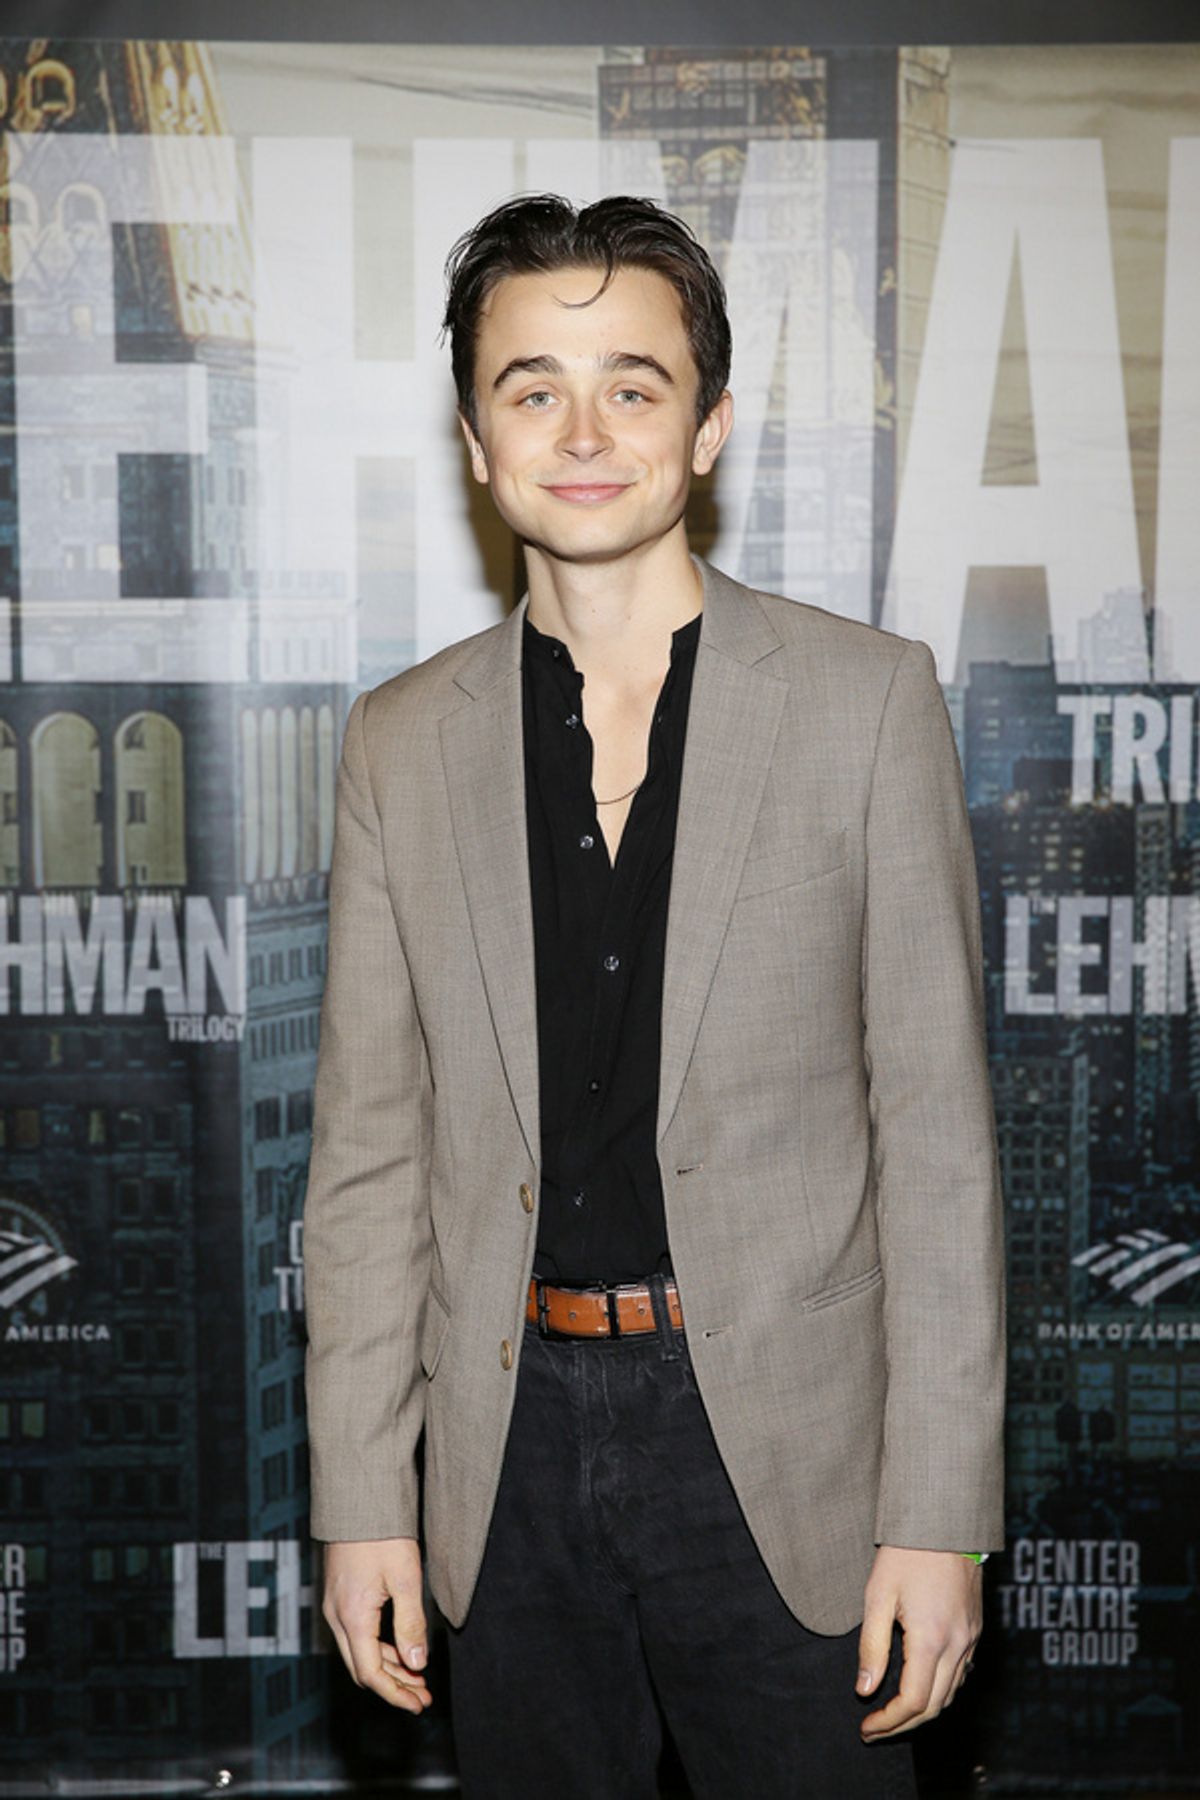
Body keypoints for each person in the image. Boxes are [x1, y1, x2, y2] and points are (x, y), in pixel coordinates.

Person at [303, 193, 1006, 1800]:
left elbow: (941, 1149)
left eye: (634, 382)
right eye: (530, 386)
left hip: (794, 1451)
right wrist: (362, 1501)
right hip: (507, 1459)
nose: (583, 428)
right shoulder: (397, 746)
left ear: (709, 430)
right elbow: (364, 1167)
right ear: (476, 441)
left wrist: (937, 1515)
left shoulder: (865, 702)